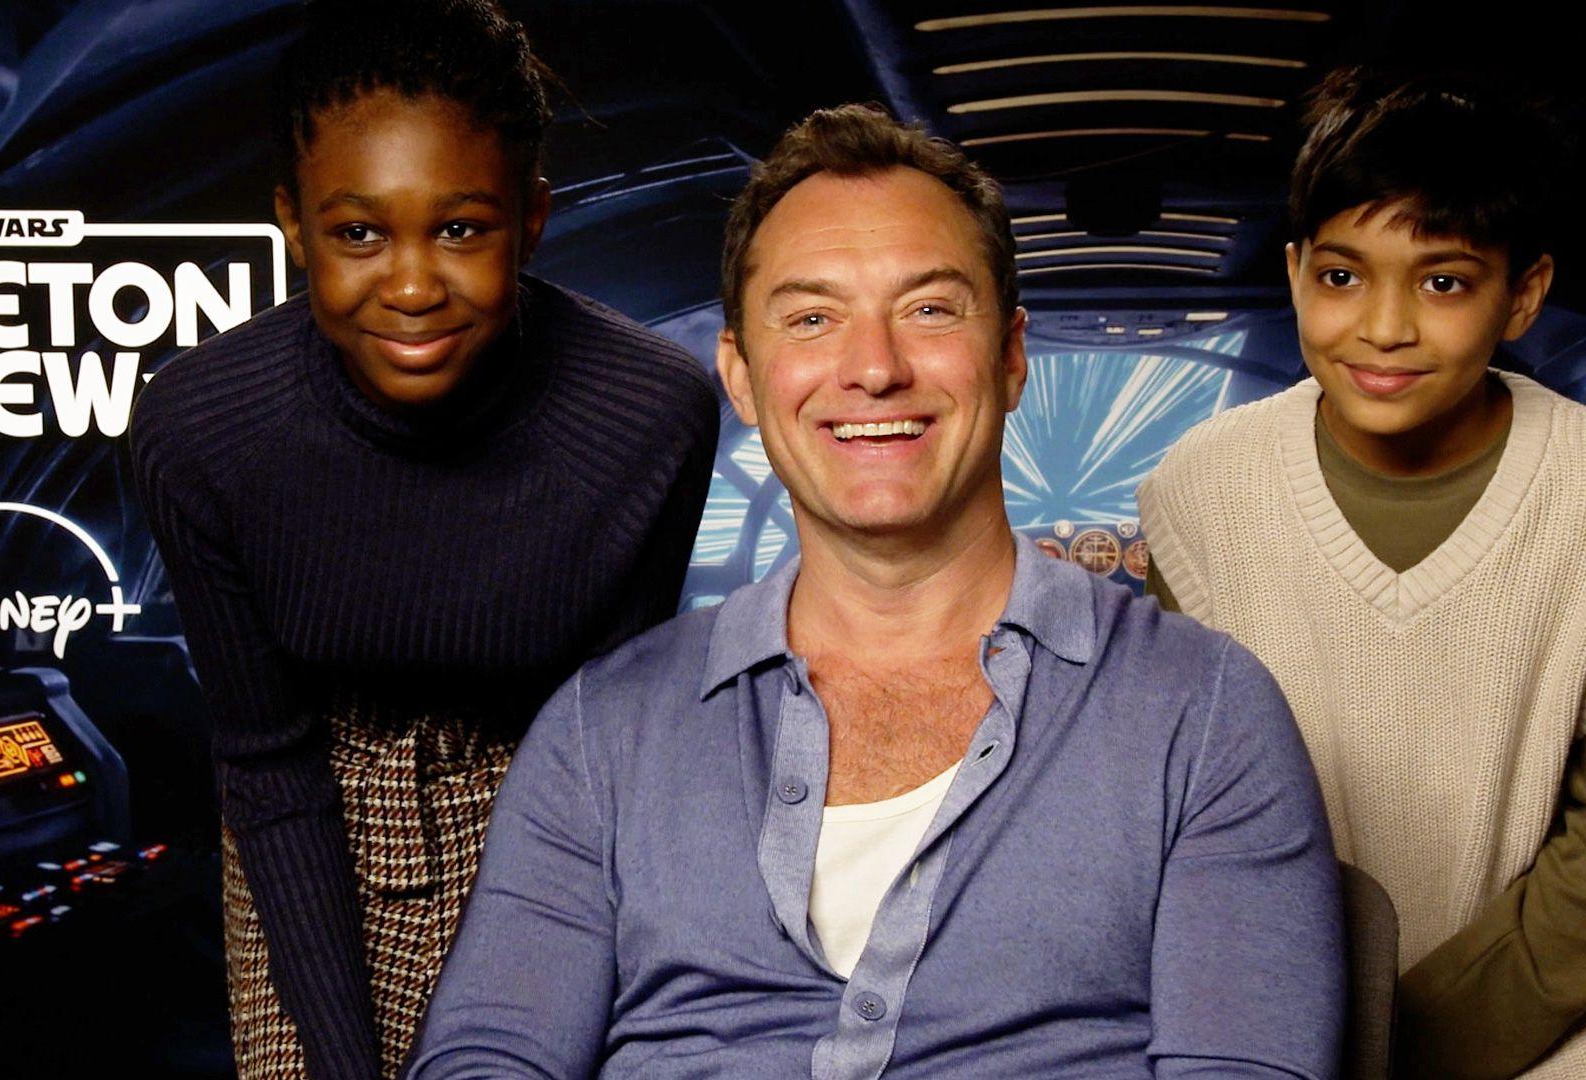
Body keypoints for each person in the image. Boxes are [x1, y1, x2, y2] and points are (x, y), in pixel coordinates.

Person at [407, 103, 1344, 1078]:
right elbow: (490, 1056)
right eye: (812, 318)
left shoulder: (1203, 714)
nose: (874, 368)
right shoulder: (603, 731)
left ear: (1012, 356)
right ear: (741, 374)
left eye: (930, 309)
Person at [127, 2, 720, 1076]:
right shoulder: (198, 428)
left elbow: (612, 740)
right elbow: (266, 766)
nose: (409, 286)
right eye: (358, 232)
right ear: (293, 225)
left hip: (556, 811)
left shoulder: (650, 413)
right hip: (307, 822)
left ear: (531, 220)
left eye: (460, 229)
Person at [1138, 67, 1586, 1077]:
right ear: (1296, 273)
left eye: (1444, 282)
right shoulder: (1202, 491)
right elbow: (1180, 809)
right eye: (1343, 277)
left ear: (1524, 295)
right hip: (1262, 1023)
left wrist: (1407, 1045)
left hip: (1541, 1032)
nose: (1384, 327)